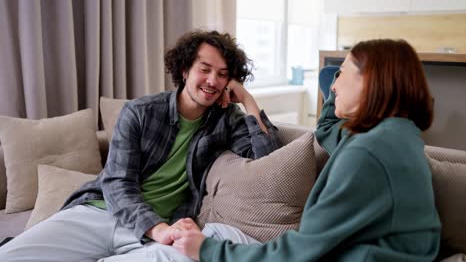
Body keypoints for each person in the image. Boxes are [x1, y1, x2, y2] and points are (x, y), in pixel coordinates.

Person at [0, 30, 281, 261]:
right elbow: (117, 184)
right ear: (184, 70)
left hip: (159, 234)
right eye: (205, 70)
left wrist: (247, 100)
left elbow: (268, 157)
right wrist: (157, 229)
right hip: (101, 213)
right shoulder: (141, 112)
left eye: (222, 74)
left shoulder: (226, 119)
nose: (212, 81)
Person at [172, 39, 442, 261]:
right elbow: (326, 128)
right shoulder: (396, 134)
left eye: (343, 73)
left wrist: (206, 250)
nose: (333, 85)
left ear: (369, 81)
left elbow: (299, 254)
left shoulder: (368, 152)